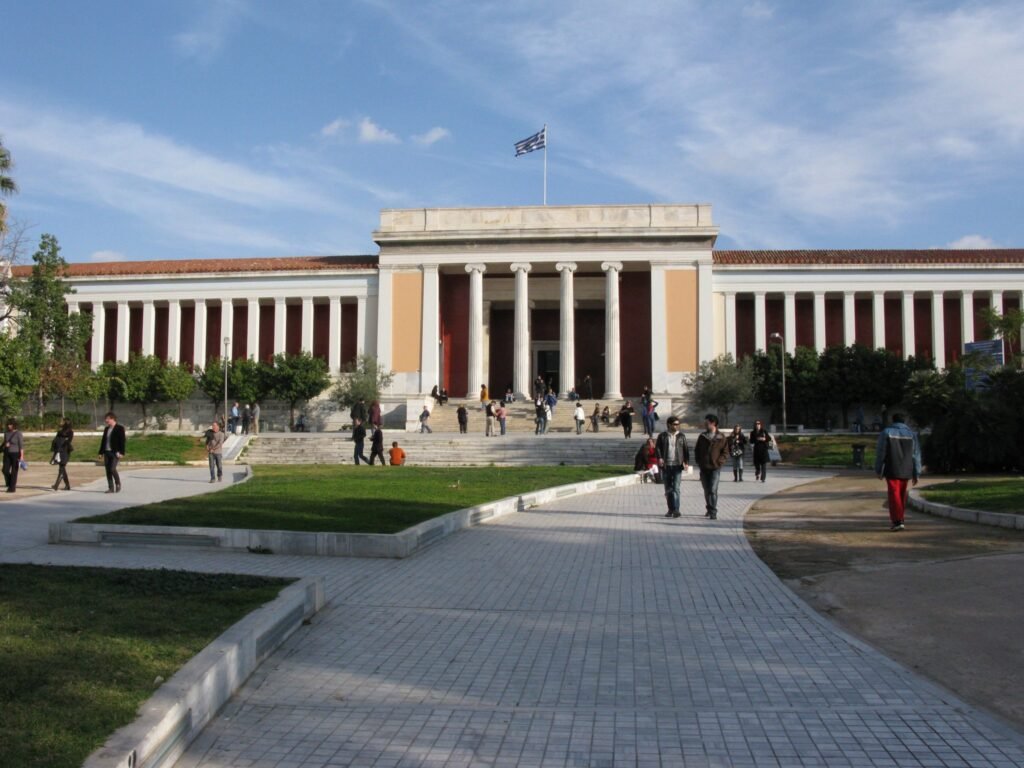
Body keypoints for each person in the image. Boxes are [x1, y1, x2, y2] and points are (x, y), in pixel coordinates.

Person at [874, 413, 922, 532]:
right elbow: (916, 455)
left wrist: (878, 469)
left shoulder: (886, 432)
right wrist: (917, 473)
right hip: (907, 469)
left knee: (894, 494)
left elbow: (881, 453)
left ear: (893, 420)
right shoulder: (912, 434)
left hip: (892, 468)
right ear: (904, 421)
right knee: (901, 494)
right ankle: (900, 519)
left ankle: (897, 521)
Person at [694, 414, 728, 519]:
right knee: (707, 490)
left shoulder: (721, 437)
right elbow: (697, 450)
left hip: (715, 468)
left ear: (713, 423)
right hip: (704, 467)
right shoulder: (702, 436)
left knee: (713, 489)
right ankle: (709, 508)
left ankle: (713, 512)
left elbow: (725, 452)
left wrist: (719, 462)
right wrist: (699, 461)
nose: (705, 424)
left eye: (707, 423)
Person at [655, 415, 690, 518]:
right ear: (669, 425)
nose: (677, 426)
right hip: (666, 465)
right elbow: (658, 448)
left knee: (676, 488)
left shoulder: (681, 436)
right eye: (675, 424)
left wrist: (686, 462)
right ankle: (670, 509)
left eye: (678, 424)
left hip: (677, 465)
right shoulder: (662, 436)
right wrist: (660, 458)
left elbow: (685, 450)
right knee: (668, 489)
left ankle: (676, 510)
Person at [97, 411, 127, 493]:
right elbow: (103, 441)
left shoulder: (120, 428)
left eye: (107, 419)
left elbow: (122, 441)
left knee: (112, 468)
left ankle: (118, 483)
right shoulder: (107, 429)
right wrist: (100, 452)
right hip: (107, 452)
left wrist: (122, 452)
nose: (106, 421)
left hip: (115, 452)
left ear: (112, 419)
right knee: (108, 470)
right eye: (106, 419)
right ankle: (111, 488)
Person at [50, 418, 74, 491]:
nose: (61, 422)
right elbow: (55, 441)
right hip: (60, 451)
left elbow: (67, 442)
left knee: (62, 468)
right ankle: (67, 485)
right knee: (62, 468)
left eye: (62, 421)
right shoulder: (61, 432)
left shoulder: (69, 432)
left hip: (64, 451)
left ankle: (56, 485)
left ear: (66, 423)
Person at [3, 419, 25, 493]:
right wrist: (6, 445)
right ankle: (10, 483)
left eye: (10, 424)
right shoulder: (6, 433)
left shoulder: (18, 433)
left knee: (14, 471)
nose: (9, 426)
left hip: (16, 454)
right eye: (8, 424)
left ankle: (12, 488)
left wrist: (21, 456)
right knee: (5, 470)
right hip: (7, 453)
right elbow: (5, 442)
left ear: (14, 425)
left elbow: (21, 446)